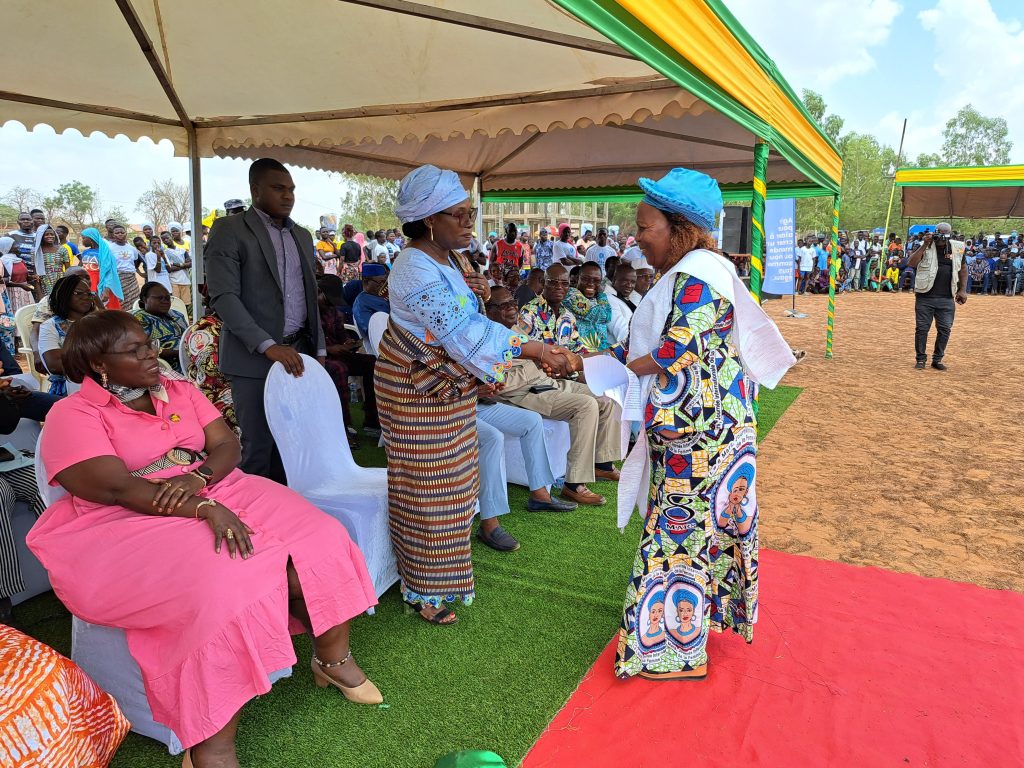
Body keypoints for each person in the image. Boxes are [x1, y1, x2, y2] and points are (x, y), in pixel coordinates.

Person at [26, 310, 381, 768]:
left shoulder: (178, 390)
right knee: (227, 584)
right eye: (134, 350)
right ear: (99, 364)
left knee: (323, 538)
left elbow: (226, 445)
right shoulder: (74, 413)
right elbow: (112, 488)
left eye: (148, 343)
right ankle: (211, 742)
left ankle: (331, 660)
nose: (151, 353)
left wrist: (201, 480)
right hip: (125, 521)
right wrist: (202, 507)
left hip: (216, 488)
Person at [613, 167, 796, 682]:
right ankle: (686, 635)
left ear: (679, 228)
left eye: (645, 227)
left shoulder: (697, 275)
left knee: (677, 539)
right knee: (694, 532)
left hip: (700, 434)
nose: (637, 237)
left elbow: (675, 349)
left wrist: (620, 367)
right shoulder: (696, 270)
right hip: (707, 426)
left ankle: (675, 653)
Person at [376, 164, 577, 625]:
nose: (470, 223)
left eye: (470, 213)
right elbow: (461, 332)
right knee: (425, 489)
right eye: (460, 215)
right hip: (416, 394)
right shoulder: (413, 266)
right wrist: (535, 348)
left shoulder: (450, 260)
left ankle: (441, 574)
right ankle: (421, 587)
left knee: (453, 486)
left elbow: (472, 322)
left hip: (448, 389)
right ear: (429, 219)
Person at [205, 158, 327, 482]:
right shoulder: (230, 230)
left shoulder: (302, 236)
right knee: (258, 447)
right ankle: (254, 512)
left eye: (291, 189)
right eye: (278, 188)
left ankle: (288, 509)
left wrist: (319, 350)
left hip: (299, 353)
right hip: (253, 359)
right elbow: (224, 296)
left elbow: (309, 295)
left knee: (294, 448)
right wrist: (267, 345)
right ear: (255, 190)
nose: (288, 196)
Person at [487, 287, 618, 507]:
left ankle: (602, 464)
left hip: (544, 382)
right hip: (523, 393)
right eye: (504, 305)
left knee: (605, 396)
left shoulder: (515, 328)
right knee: (585, 405)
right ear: (489, 310)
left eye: (513, 302)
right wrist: (538, 363)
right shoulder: (487, 338)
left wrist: (547, 364)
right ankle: (574, 484)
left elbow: (540, 359)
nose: (512, 308)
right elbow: (499, 382)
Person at [318, 275, 380, 441]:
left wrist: (348, 343)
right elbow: (306, 343)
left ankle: (373, 420)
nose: (331, 304)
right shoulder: (308, 313)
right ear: (318, 293)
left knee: (372, 363)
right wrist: (329, 349)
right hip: (317, 359)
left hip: (337, 354)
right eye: (328, 300)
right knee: (339, 369)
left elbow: (341, 337)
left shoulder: (334, 312)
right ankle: (343, 426)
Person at [908, 223, 967, 371]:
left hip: (947, 297)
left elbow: (963, 268)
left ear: (950, 234)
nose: (942, 237)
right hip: (925, 296)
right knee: (922, 329)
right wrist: (924, 244)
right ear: (935, 232)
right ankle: (920, 359)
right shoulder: (925, 245)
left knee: (945, 329)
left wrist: (962, 290)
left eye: (945, 234)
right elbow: (911, 263)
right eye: (940, 233)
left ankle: (937, 359)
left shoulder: (957, 247)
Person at [38, 273, 101, 396]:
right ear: (64, 295)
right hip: (70, 387)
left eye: (89, 294)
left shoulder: (97, 323)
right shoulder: (50, 326)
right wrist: (100, 364)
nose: (86, 297)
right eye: (78, 293)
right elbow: (55, 365)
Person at [519, 264, 585, 353]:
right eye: (553, 282)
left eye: (565, 283)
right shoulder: (529, 312)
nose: (559, 287)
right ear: (543, 283)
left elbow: (577, 349)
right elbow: (527, 350)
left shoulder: (568, 316)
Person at [133, 281, 189, 372]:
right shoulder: (139, 318)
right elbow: (143, 349)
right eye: (159, 298)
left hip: (189, 358)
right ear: (144, 299)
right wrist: (182, 353)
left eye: (167, 298)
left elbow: (188, 337)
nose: (165, 301)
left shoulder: (177, 315)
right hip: (165, 366)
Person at [564, 262, 613, 351]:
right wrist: (601, 297)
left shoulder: (599, 296)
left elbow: (608, 316)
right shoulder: (570, 295)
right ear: (578, 278)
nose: (591, 283)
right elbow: (600, 315)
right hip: (579, 353)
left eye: (596, 280)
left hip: (600, 351)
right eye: (586, 279)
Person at [78, 227, 123, 309]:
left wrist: (106, 290)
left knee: (104, 309)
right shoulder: (85, 252)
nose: (82, 241)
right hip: (87, 283)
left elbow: (109, 273)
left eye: (84, 238)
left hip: (101, 283)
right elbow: (79, 268)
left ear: (91, 238)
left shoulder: (104, 252)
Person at [1, 233, 38, 315]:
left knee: (27, 316)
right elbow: (3, 281)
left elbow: (24, 277)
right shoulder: (3, 261)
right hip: (12, 293)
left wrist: (32, 277)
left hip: (25, 292)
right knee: (16, 316)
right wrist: (20, 285)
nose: (18, 246)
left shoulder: (19, 260)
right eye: (14, 245)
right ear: (7, 247)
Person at [352, 263, 389, 340]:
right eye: (381, 282)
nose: (384, 286)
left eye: (385, 282)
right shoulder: (361, 303)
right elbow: (372, 331)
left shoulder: (381, 295)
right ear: (366, 282)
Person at [33, 224, 71, 296]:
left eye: (52, 234)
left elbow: (68, 270)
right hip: (44, 282)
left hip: (60, 280)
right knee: (47, 301)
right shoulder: (36, 252)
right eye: (46, 234)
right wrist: (40, 294)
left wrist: (68, 285)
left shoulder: (62, 249)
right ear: (41, 236)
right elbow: (35, 274)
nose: (50, 236)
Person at [160, 230, 193, 309]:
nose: (166, 240)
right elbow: (171, 269)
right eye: (163, 239)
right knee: (175, 304)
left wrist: (178, 264)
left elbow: (190, 264)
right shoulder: (165, 253)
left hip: (185, 280)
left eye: (167, 238)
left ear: (171, 237)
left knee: (186, 304)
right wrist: (184, 265)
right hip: (173, 281)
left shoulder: (182, 251)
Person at [606, 262, 636, 342]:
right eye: (625, 280)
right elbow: (621, 332)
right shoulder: (608, 299)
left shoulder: (621, 297)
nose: (629, 285)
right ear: (614, 280)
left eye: (633, 282)